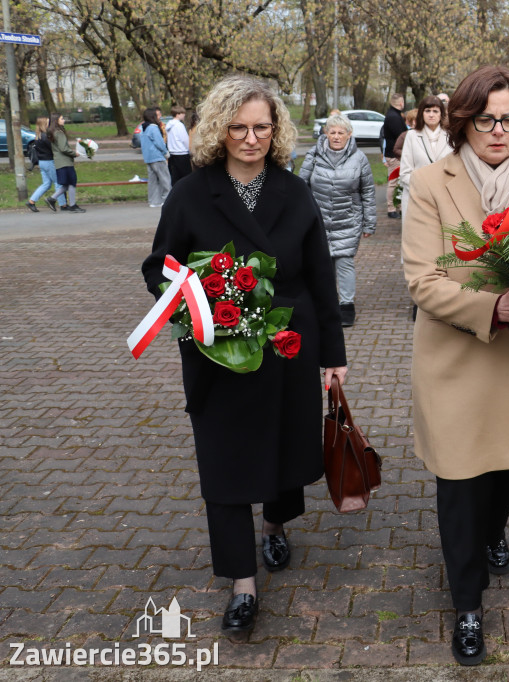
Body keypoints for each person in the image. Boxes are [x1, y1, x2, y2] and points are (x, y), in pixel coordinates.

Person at [140, 75, 347, 635]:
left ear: (275, 129)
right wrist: (191, 296)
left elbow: (322, 276)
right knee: (226, 463)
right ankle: (242, 583)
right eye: (238, 127)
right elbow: (159, 265)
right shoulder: (191, 192)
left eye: (261, 126)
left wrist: (334, 351)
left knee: (284, 448)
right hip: (217, 356)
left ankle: (277, 525)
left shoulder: (294, 190)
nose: (250, 138)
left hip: (286, 347)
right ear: (218, 129)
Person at [402, 65, 509, 666]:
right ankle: (468, 604)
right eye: (485, 120)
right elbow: (421, 281)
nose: (498, 131)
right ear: (463, 123)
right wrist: (496, 306)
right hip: (456, 359)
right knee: (459, 481)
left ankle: (494, 529)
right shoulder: (430, 182)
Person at [298, 113, 377, 327]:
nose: (336, 136)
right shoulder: (314, 155)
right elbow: (300, 187)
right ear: (326, 133)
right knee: (322, 264)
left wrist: (369, 223)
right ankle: (327, 303)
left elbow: (368, 191)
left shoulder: (359, 158)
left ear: (349, 135)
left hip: (348, 220)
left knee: (344, 262)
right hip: (319, 220)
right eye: (332, 132)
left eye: (341, 133)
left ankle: (346, 306)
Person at [399, 95, 452, 217]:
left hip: (444, 198)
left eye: (435, 111)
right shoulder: (412, 136)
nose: (431, 115)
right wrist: (423, 189)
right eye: (427, 111)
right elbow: (405, 172)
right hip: (417, 198)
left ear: (441, 114)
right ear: (422, 113)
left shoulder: (450, 136)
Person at [25, 116, 67, 212]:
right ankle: (63, 204)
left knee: (47, 184)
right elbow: (54, 149)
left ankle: (31, 201)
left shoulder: (38, 136)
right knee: (58, 183)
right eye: (48, 123)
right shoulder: (46, 137)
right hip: (49, 162)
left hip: (42, 162)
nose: (49, 124)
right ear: (44, 124)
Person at [48, 113, 86, 213]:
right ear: (56, 121)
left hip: (59, 162)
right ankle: (73, 205)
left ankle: (52, 199)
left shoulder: (52, 132)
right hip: (65, 162)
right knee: (72, 183)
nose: (63, 120)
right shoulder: (59, 133)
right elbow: (63, 148)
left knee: (66, 184)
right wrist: (75, 153)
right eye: (62, 118)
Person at [381, 92, 407, 218]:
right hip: (394, 154)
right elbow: (401, 136)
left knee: (398, 182)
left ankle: (399, 207)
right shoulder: (394, 117)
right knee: (393, 182)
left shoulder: (392, 115)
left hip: (394, 153)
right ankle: (391, 208)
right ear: (401, 103)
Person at [140, 107, 172, 208]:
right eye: (157, 115)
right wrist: (165, 152)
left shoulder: (143, 127)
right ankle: (167, 199)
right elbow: (159, 143)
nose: (160, 117)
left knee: (153, 181)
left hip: (148, 158)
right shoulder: (153, 127)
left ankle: (154, 201)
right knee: (165, 179)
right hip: (157, 157)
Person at [166, 105, 192, 185]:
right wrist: (190, 149)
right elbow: (184, 139)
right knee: (186, 177)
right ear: (177, 114)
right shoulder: (179, 125)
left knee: (175, 177)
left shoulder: (168, 125)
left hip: (173, 154)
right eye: (182, 113)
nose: (184, 115)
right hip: (182, 153)